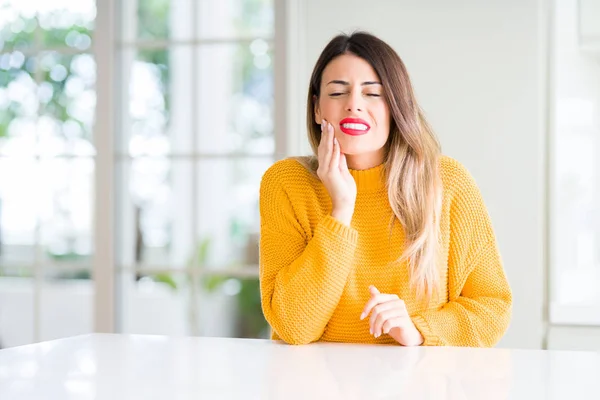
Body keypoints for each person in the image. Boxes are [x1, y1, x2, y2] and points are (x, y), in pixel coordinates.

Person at [258, 31, 512, 346]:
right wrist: (341, 209)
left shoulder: (447, 182)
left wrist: (418, 330)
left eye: (373, 94)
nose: (353, 106)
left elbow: (492, 307)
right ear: (316, 108)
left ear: (395, 106)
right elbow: (294, 327)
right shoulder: (286, 183)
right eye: (337, 93)